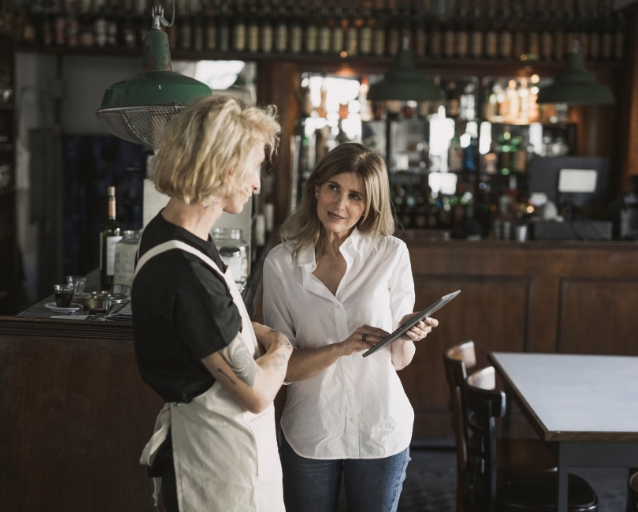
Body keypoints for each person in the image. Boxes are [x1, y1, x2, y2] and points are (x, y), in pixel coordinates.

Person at [132, 95, 292, 512]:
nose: (257, 183)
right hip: (218, 471)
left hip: (224, 456)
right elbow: (257, 395)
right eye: (254, 166)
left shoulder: (172, 233)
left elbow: (218, 326)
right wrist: (283, 345)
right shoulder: (186, 273)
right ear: (226, 168)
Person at [263, 142, 439, 512]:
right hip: (311, 429)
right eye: (333, 188)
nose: (340, 205)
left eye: (355, 196)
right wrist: (340, 347)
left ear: (369, 204)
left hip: (380, 426)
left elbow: (400, 361)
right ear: (316, 188)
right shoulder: (280, 262)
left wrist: (406, 331)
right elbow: (283, 369)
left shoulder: (391, 254)